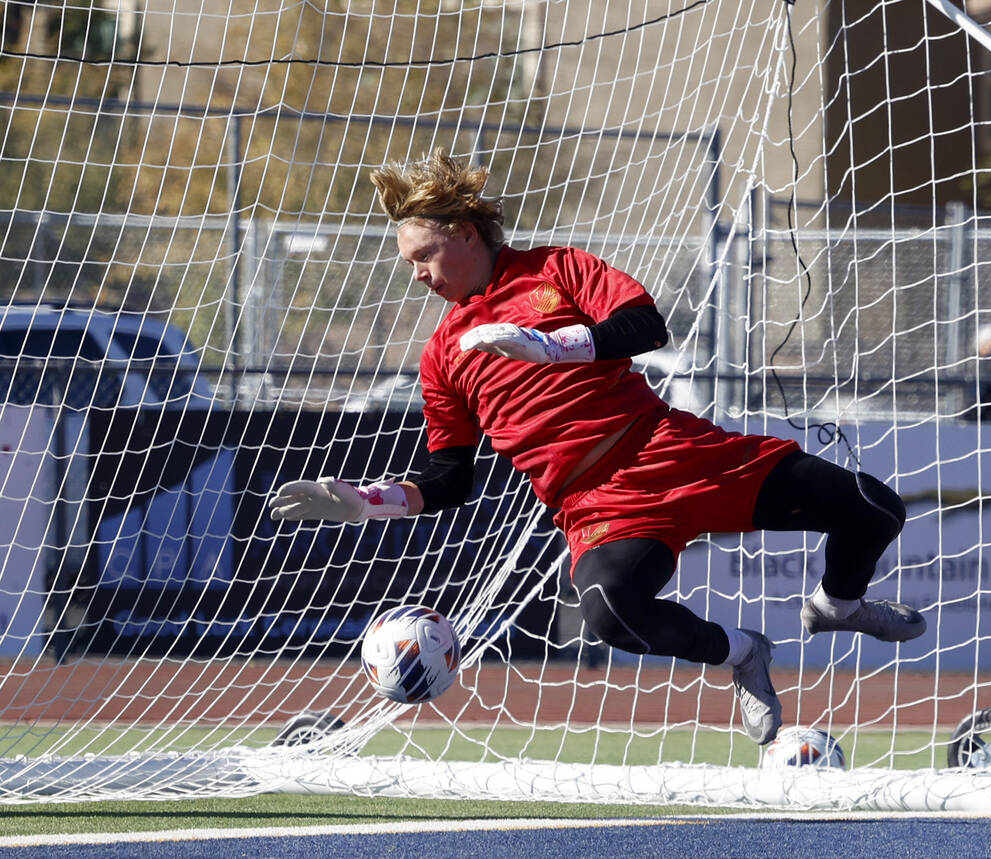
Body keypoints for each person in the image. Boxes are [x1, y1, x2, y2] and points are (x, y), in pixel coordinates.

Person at [268, 149, 925, 745]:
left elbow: (646, 323)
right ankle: (743, 653)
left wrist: (556, 346)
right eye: (409, 263)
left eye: (423, 257)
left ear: (465, 235)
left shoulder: (557, 269)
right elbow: (448, 478)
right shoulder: (442, 354)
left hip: (669, 447)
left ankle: (837, 607)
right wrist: (364, 501)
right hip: (596, 505)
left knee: (876, 508)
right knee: (610, 615)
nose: (416, 275)